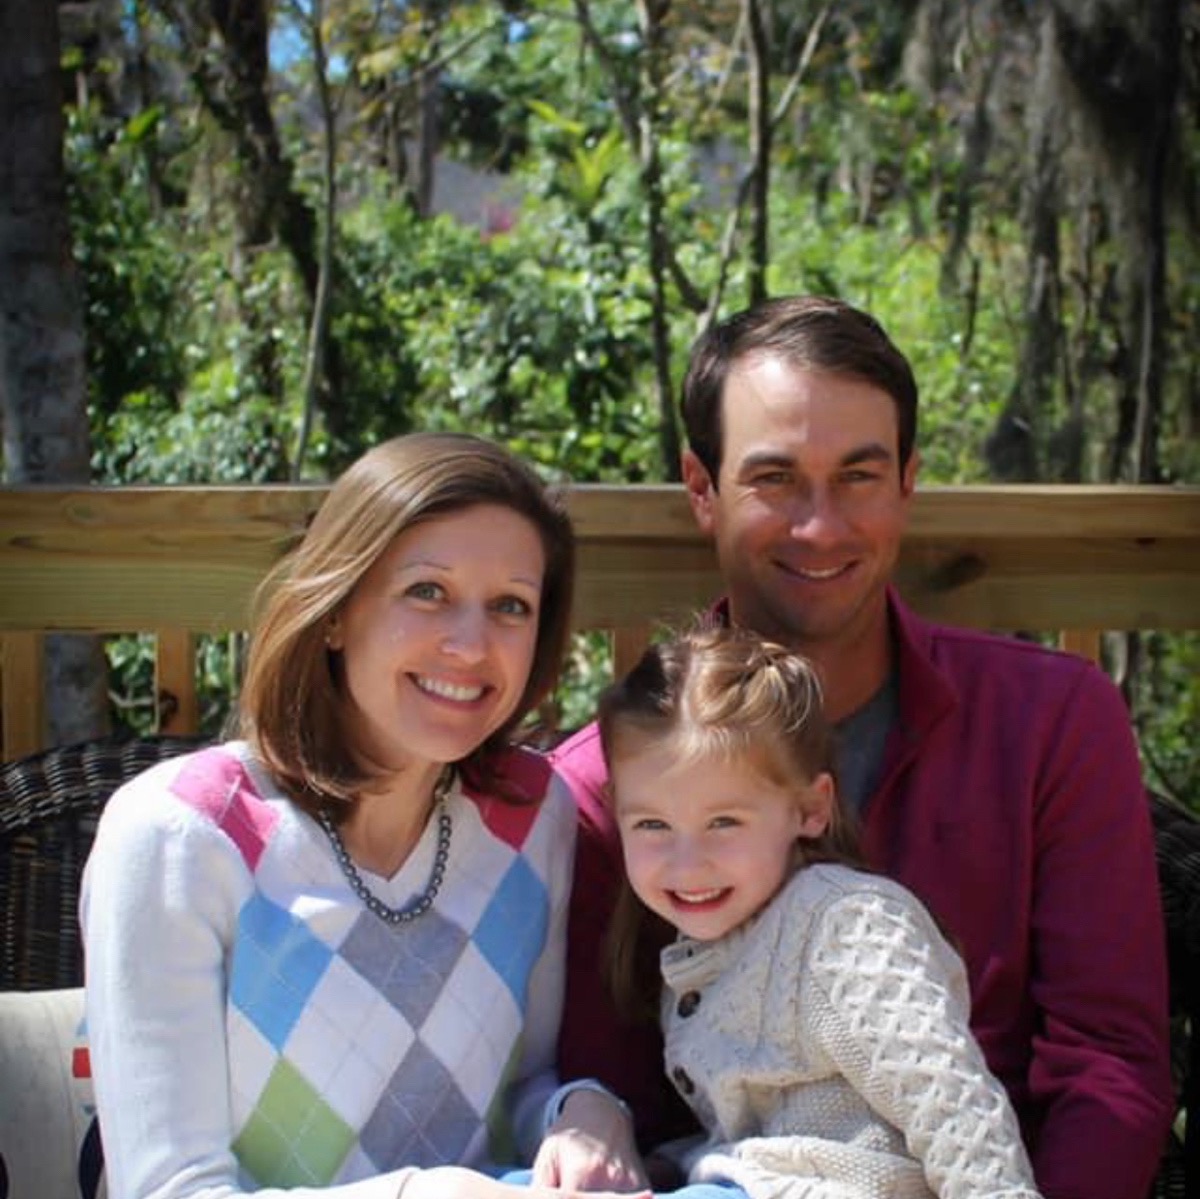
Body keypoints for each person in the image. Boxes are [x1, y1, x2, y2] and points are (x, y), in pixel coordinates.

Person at [552, 296, 1174, 1199]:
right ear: (701, 488)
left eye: (858, 475)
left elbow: (1108, 1065)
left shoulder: (1053, 723)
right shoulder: (605, 787)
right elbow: (617, 1094)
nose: (821, 526)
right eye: (774, 478)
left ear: (908, 482)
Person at [81, 432, 647, 1199]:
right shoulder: (177, 836)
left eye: (510, 606)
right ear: (336, 611)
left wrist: (583, 1111)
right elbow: (168, 1191)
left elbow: (521, 1088)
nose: (471, 644)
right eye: (428, 591)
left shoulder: (532, 812)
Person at [595, 624, 1041, 1198]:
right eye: (652, 824)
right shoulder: (703, 952)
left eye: (723, 822)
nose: (688, 863)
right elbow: (752, 1137)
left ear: (810, 808)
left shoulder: (847, 926)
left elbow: (952, 1104)